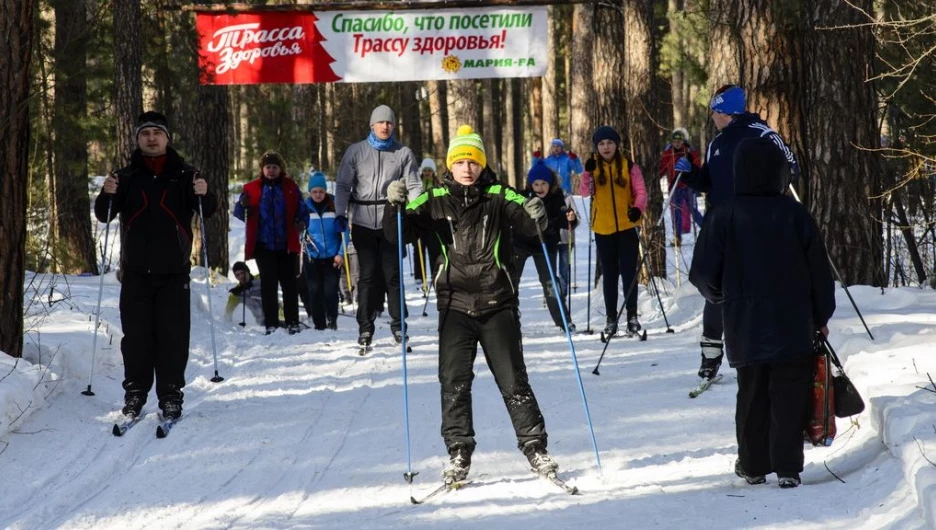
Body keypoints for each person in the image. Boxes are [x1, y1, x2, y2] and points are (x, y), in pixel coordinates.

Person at [384, 125, 562, 482]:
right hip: (454, 305)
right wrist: (395, 206)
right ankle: (458, 452)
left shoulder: (499, 195)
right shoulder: (433, 199)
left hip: (497, 301)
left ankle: (536, 448)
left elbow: (532, 228)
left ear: (482, 164)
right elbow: (397, 233)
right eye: (461, 161)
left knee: (514, 381)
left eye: (473, 161)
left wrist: (538, 212)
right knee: (453, 382)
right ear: (452, 164)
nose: (467, 168)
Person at [689, 137, 835, 489]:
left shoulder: (724, 215)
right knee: (789, 391)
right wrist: (820, 316)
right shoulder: (795, 214)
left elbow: (703, 273)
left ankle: (753, 465)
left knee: (751, 392)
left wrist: (722, 297)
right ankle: (786, 466)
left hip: (745, 321)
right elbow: (820, 273)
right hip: (793, 321)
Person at [94, 111, 216, 421]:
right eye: (145, 133)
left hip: (174, 272)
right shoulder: (125, 177)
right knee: (136, 337)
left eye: (156, 133)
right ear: (137, 139)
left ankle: (171, 395)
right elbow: (104, 215)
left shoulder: (185, 175)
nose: (151, 138)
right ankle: (135, 393)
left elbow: (208, 209)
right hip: (134, 271)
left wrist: (204, 192)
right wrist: (106, 193)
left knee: (173, 336)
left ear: (166, 139)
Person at [675, 85, 800, 380]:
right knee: (715, 290)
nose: (713, 118)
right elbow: (710, 182)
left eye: (714, 113)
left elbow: (791, 166)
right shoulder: (717, 143)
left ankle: (764, 350)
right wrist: (691, 174)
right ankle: (710, 357)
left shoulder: (762, 133)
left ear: (723, 112)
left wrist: (770, 192)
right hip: (721, 224)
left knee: (757, 286)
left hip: (757, 226)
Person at [334, 104, 422, 349]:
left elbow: (414, 184)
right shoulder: (356, 151)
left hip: (391, 220)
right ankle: (365, 327)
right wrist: (340, 213)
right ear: (372, 125)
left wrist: (416, 210)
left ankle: (398, 326)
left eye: (389, 122)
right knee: (367, 276)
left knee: (393, 276)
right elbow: (342, 185)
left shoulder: (403, 153)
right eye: (381, 122)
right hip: (362, 220)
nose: (385, 126)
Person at [579, 126, 648, 337]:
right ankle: (611, 319)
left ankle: (632, 317)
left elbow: (641, 191)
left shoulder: (629, 167)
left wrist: (637, 209)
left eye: (609, 143)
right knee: (609, 274)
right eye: (601, 144)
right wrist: (586, 173)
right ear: (597, 147)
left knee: (629, 273)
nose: (606, 147)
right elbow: (584, 192)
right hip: (603, 228)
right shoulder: (592, 167)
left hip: (627, 226)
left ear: (616, 145)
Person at [233, 151, 309, 335]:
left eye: (275, 167)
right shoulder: (251, 189)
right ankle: (271, 324)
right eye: (268, 167)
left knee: (289, 285)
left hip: (286, 244)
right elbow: (238, 212)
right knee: (268, 285)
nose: (271, 171)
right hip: (263, 245)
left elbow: (303, 210)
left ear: (280, 169)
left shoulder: (290, 187)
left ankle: (292, 322)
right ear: (262, 169)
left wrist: (301, 222)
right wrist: (243, 206)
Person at [512, 161, 577, 332]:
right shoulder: (523, 197)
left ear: (551, 184)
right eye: (536, 184)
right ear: (530, 184)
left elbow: (566, 221)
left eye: (544, 184)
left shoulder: (556, 198)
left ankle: (564, 320)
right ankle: (509, 317)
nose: (540, 188)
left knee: (550, 284)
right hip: (521, 243)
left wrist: (570, 218)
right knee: (511, 280)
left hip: (546, 246)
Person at [302, 171, 344, 330]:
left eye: (321, 191)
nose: (318, 195)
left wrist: (340, 254)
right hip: (312, 255)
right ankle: (319, 323)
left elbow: (345, 231)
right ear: (310, 192)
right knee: (314, 290)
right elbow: (298, 229)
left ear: (325, 191)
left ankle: (332, 319)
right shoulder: (305, 207)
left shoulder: (334, 205)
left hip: (333, 256)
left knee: (330, 290)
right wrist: (303, 238)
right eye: (314, 192)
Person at [658, 128, 703, 246]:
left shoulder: (688, 151)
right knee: (676, 212)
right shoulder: (669, 153)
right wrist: (657, 176)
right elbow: (663, 167)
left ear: (683, 141)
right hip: (674, 186)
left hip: (688, 186)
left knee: (693, 210)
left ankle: (706, 229)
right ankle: (677, 237)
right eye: (675, 141)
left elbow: (697, 165)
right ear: (672, 142)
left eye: (679, 141)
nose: (677, 143)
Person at [414, 158, 443, 286]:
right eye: (425, 170)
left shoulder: (437, 184)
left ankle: (434, 272)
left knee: (434, 249)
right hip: (419, 221)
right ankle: (419, 275)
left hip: (433, 222)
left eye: (429, 170)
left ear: (433, 172)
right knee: (419, 248)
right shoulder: (417, 184)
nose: (427, 173)